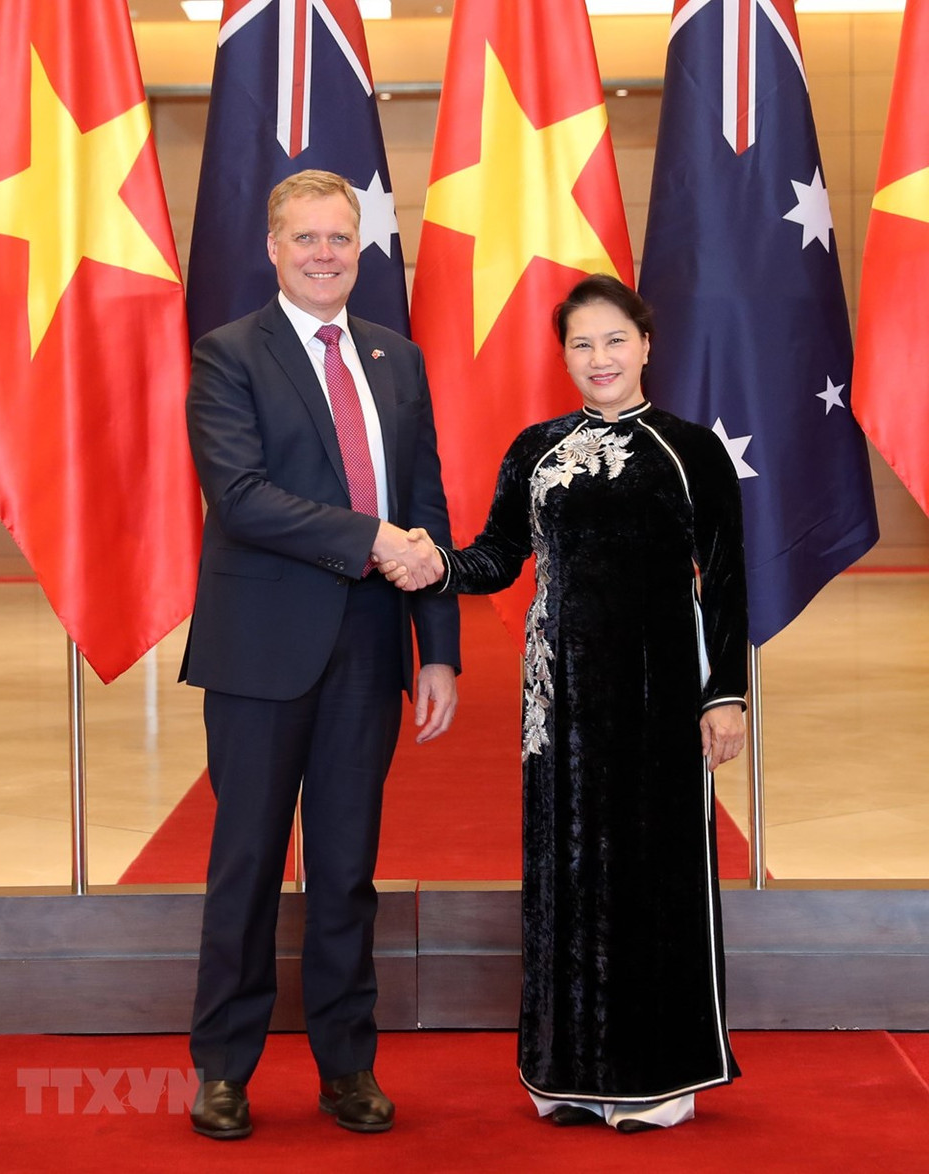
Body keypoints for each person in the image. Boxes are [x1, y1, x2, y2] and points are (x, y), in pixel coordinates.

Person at [381, 274, 748, 1133]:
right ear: (565, 357)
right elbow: (499, 556)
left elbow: (726, 583)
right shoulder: (536, 448)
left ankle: (658, 1074)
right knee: (566, 876)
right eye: (581, 345)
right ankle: (568, 1070)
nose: (599, 359)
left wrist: (724, 696)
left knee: (655, 877)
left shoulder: (692, 451)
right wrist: (433, 563)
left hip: (659, 702)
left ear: (646, 344)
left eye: (614, 340)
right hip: (558, 708)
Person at [181, 169, 459, 1140]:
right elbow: (241, 494)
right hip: (259, 652)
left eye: (341, 238)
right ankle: (223, 1067)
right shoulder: (227, 356)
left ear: (360, 245)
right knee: (248, 863)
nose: (326, 254)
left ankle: (348, 1064)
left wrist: (439, 647)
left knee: (346, 869)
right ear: (272, 246)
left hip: (371, 650)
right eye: (307, 238)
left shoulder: (396, 357)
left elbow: (426, 503)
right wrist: (371, 539)